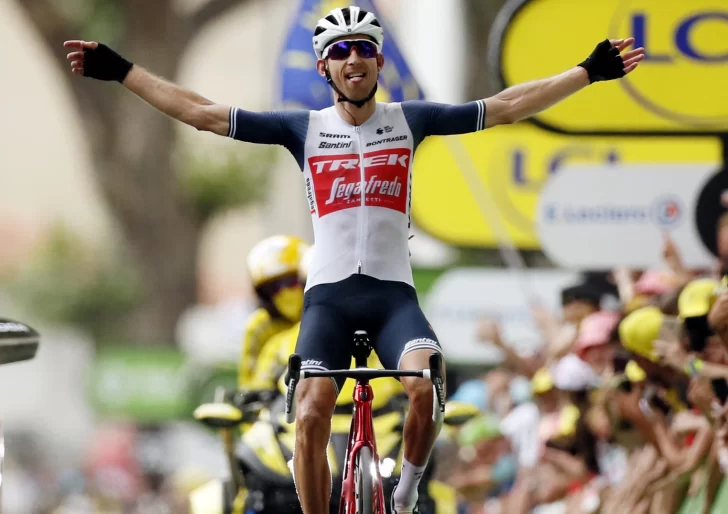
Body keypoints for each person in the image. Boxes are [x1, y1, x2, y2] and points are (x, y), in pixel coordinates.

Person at [63, 6, 644, 511]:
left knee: (424, 387)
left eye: (364, 49)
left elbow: (508, 105)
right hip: (329, 302)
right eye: (339, 52)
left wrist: (588, 72)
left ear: (377, 62)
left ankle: (408, 488)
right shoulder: (303, 128)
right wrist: (123, 71)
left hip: (394, 299)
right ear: (325, 68)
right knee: (312, 414)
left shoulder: (410, 121)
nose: (353, 59)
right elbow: (202, 112)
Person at [238, 235, 309, 391]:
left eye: (291, 282)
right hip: (283, 407)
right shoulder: (260, 328)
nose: (284, 291)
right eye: (274, 288)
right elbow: (249, 389)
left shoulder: (334, 316)